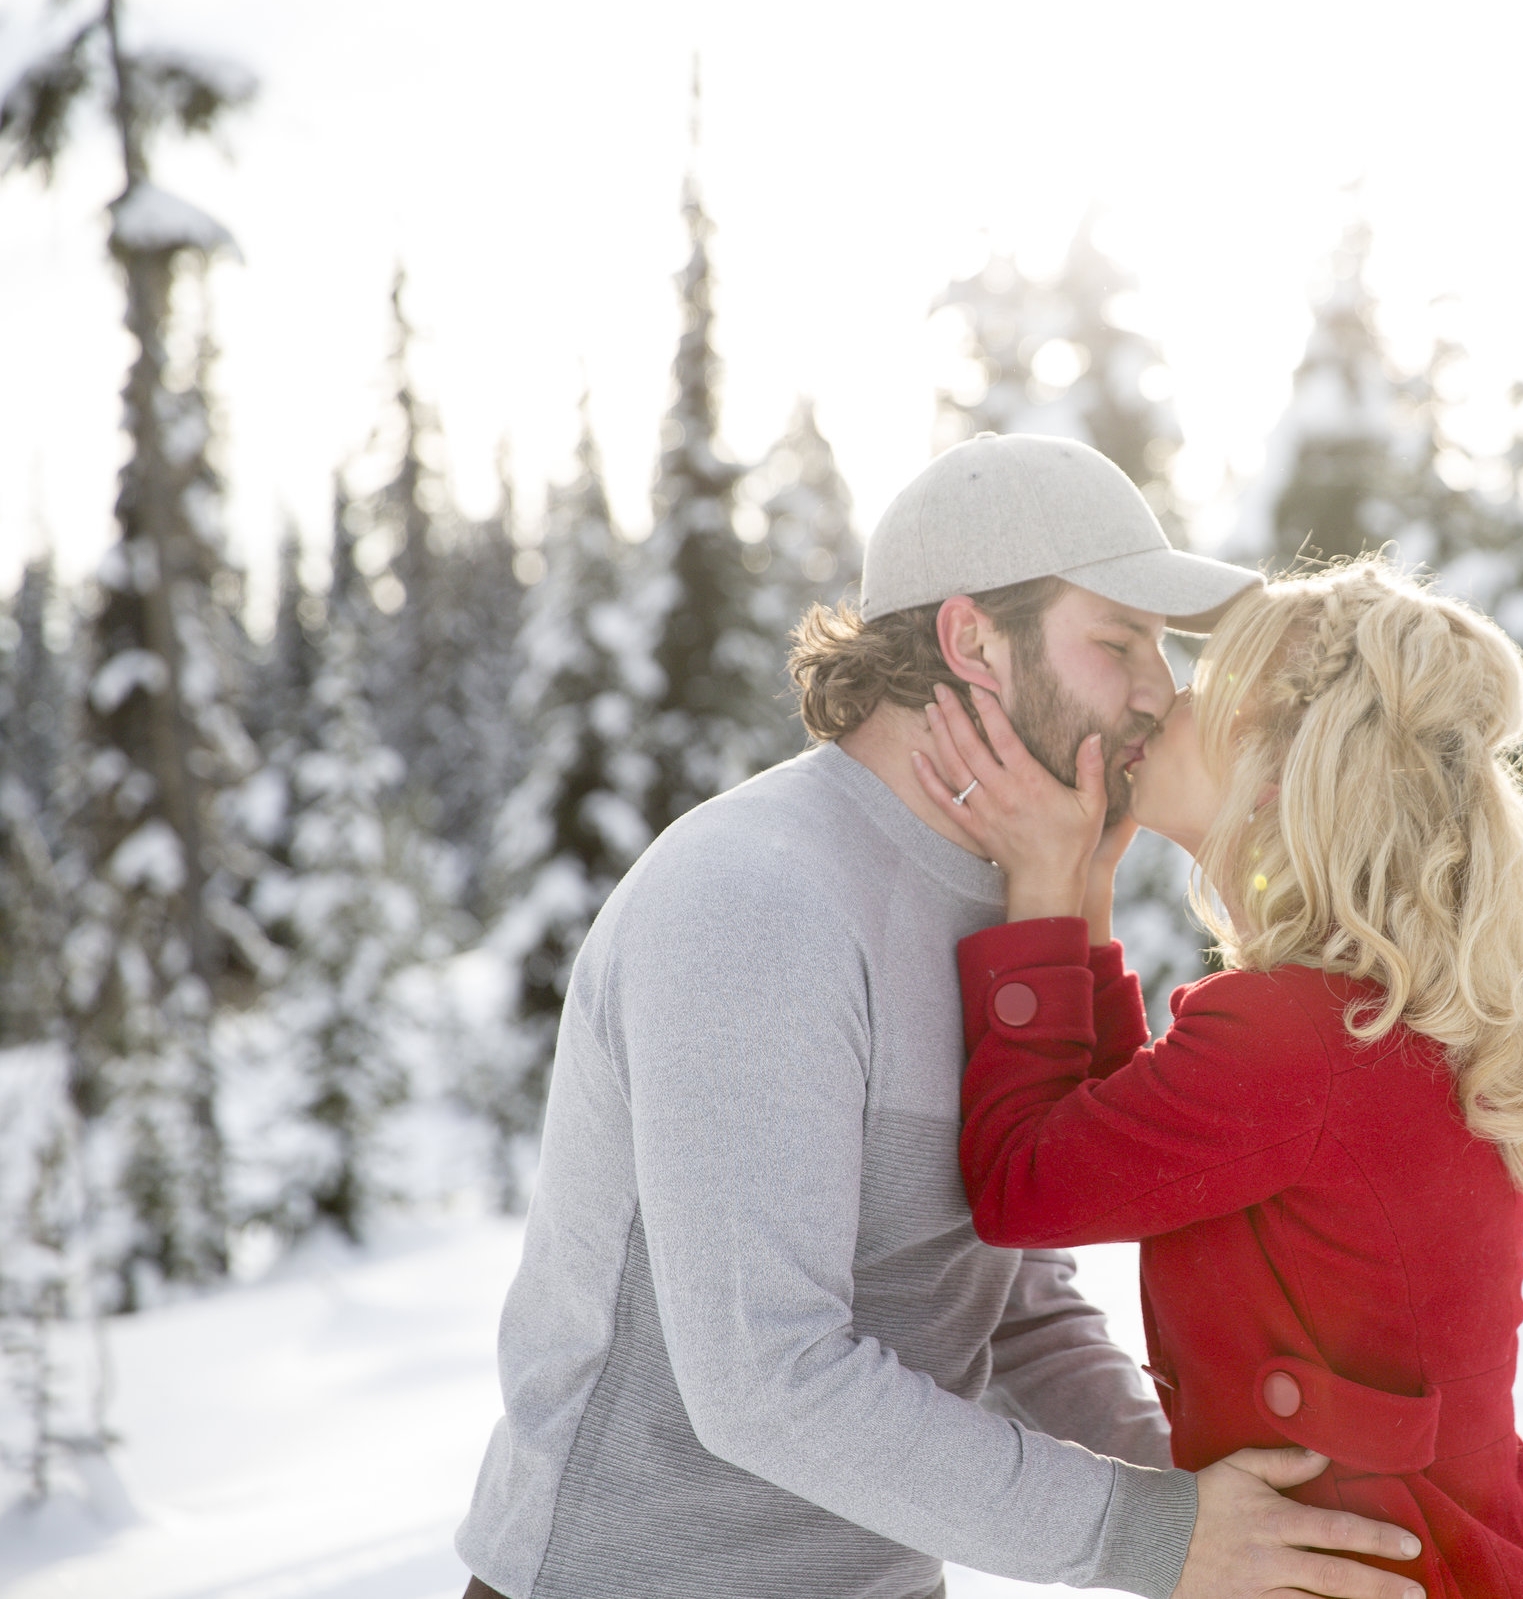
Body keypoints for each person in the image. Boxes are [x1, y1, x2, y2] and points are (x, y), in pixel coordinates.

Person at [455, 435, 1425, 1599]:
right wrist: (1155, 1532)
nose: (1162, 691)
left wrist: (1232, 1507)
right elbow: (766, 1374)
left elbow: (1008, 1307)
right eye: (1118, 642)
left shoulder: (1006, 892)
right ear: (972, 639)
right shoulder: (757, 897)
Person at [914, 560, 1523, 1599]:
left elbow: (1028, 1180)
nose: (1160, 697)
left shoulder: (1290, 1032)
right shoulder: (1368, 1008)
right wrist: (1086, 889)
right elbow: (1131, 1150)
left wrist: (1040, 890)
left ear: (1278, 765)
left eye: (1203, 685)